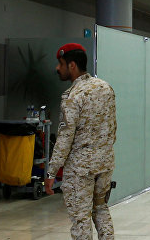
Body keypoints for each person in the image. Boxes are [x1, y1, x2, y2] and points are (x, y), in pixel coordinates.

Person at [45, 43, 117, 240]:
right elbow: (113, 127)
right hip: (105, 163)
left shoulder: (73, 95)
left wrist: (51, 172)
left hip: (81, 168)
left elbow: (65, 137)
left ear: (72, 65)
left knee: (81, 219)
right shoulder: (105, 87)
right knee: (101, 209)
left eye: (61, 64)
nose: (57, 68)